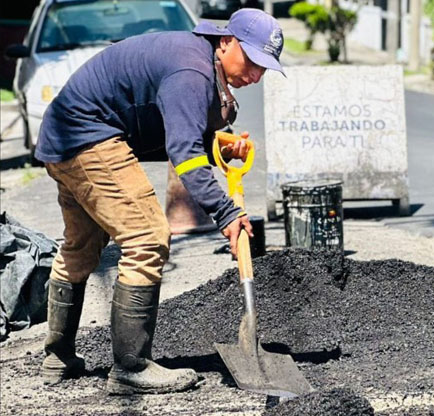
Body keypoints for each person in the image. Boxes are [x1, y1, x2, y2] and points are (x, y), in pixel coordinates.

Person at [34, 9, 284, 394]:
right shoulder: (192, 71)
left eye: (263, 69)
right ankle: (131, 367)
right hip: (88, 136)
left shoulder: (196, 59)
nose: (255, 76)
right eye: (251, 62)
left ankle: (58, 357)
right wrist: (226, 214)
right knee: (147, 237)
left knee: (81, 246)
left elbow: (172, 131)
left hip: (65, 135)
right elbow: (184, 155)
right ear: (226, 41)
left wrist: (215, 145)